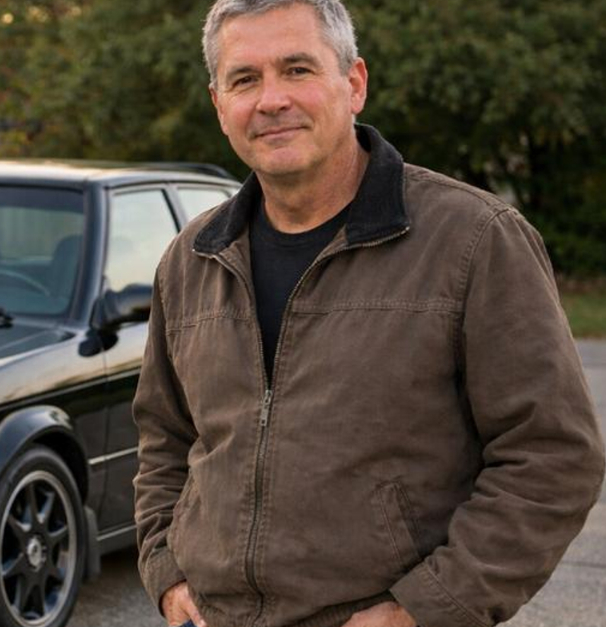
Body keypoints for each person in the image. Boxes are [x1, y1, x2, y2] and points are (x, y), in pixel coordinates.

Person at [131, 1, 605, 626]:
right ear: (220, 105)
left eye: (297, 69)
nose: (271, 99)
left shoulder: (473, 240)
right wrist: (166, 572)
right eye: (245, 79)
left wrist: (425, 608)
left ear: (354, 84)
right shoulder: (193, 258)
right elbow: (164, 439)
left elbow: (551, 459)